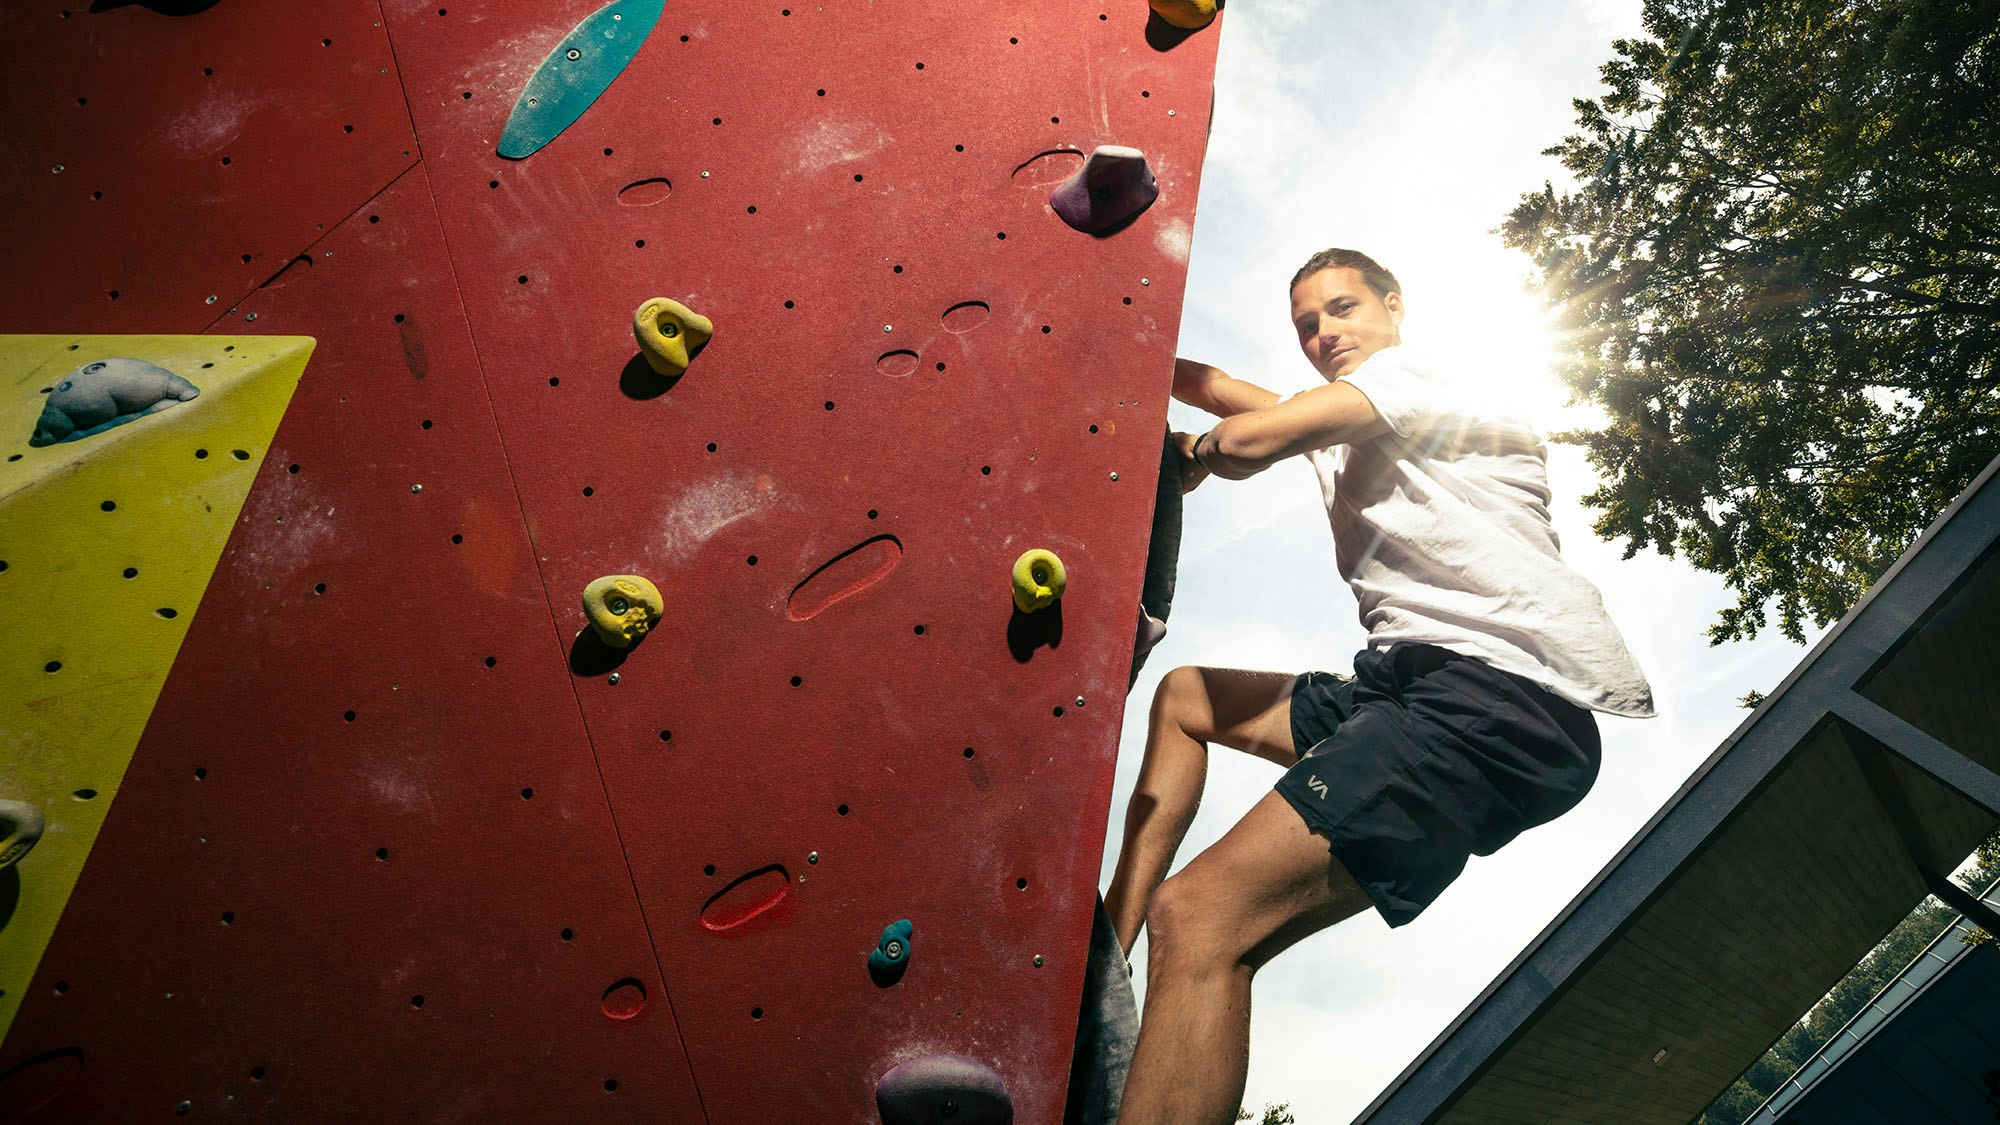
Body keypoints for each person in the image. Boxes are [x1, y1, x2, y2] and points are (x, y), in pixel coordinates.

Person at [1103, 248, 1655, 1122]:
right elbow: (1223, 389)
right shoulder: (1351, 417)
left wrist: (1196, 455)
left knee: (1202, 917)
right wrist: (1117, 348)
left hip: (1494, 696)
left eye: (1342, 309)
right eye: (1307, 326)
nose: (1324, 334)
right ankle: (1107, 947)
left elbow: (1248, 434)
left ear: (1394, 307)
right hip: (1410, 687)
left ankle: (1150, 932)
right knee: (1187, 700)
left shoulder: (1420, 377)